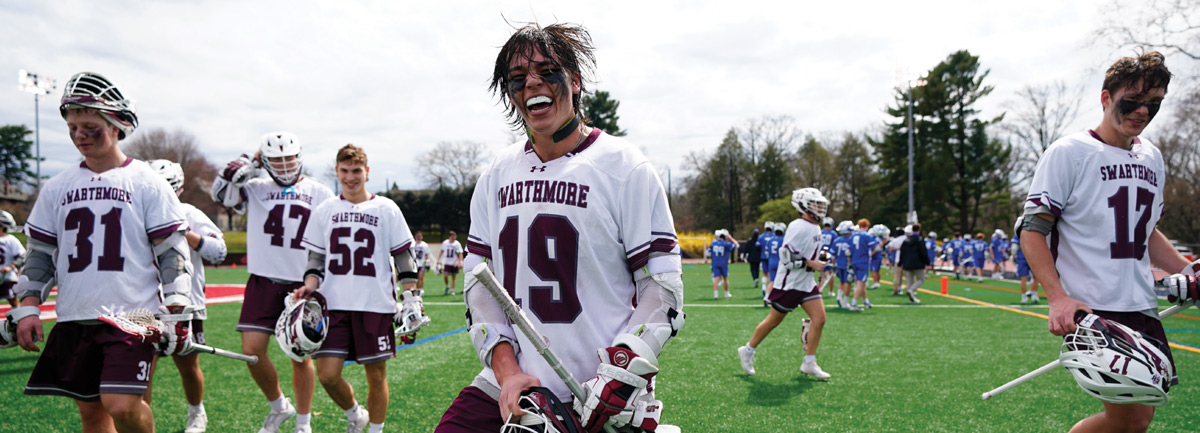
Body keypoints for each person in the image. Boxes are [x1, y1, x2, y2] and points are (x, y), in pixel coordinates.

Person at [434, 22, 684, 433]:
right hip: (519, 385)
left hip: (600, 394)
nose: (532, 82)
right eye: (518, 78)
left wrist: (622, 367)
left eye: (547, 70)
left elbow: (661, 284)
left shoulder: (624, 166)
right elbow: (480, 285)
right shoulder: (497, 174)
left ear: (575, 80)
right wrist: (506, 370)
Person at [7, 72, 194, 433]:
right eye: (73, 126)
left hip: (133, 316)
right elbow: (40, 254)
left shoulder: (146, 181)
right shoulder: (57, 187)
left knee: (122, 405)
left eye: (90, 126)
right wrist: (29, 306)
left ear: (117, 125)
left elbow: (172, 252)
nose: (79, 135)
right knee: (93, 414)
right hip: (76, 314)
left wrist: (176, 308)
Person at [1021, 51, 1195, 432]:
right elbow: (1032, 229)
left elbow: (1145, 231)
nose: (1142, 112)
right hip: (1095, 306)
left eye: (1154, 104)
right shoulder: (1070, 153)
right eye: (1132, 101)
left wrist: (1188, 270)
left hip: (1140, 302)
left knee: (1138, 418)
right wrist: (1056, 298)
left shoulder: (1152, 157)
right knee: (1130, 420)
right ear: (1105, 98)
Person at [294, 144, 424, 433]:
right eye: (344, 171)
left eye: (356, 171)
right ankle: (355, 414)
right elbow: (316, 258)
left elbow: (403, 257)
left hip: (374, 304)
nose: (350, 177)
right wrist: (309, 286)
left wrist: (411, 298)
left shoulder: (386, 208)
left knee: (376, 376)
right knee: (327, 375)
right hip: (334, 304)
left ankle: (375, 431)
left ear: (367, 172)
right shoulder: (326, 209)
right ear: (337, 172)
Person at [211, 132, 334, 433]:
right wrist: (249, 160)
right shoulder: (255, 187)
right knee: (252, 351)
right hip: (263, 279)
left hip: (301, 282)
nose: (283, 165)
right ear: (264, 161)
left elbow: (331, 236)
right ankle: (280, 406)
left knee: (299, 353)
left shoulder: (319, 191)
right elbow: (219, 192)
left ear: (299, 157)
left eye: (288, 158)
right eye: (276, 160)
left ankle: (303, 424)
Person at [149, 159, 228, 433]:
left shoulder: (189, 213)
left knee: (188, 364)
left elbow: (219, 252)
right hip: (145, 303)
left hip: (186, 304)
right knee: (142, 369)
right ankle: (140, 422)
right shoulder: (134, 213)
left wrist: (185, 232)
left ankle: (197, 412)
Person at [738, 188, 832, 379]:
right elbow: (786, 257)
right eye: (815, 204)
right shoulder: (798, 226)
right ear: (803, 205)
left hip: (806, 282)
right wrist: (810, 262)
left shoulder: (815, 227)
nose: (820, 208)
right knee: (774, 320)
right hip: (789, 283)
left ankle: (809, 362)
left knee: (820, 318)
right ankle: (748, 349)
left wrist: (820, 258)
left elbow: (808, 254)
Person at [848, 219, 878, 310]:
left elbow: (849, 251)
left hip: (854, 260)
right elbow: (875, 248)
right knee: (860, 283)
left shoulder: (852, 236)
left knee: (862, 282)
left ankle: (866, 301)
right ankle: (853, 304)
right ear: (867, 226)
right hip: (863, 261)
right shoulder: (866, 235)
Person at [0, 211, 26, 308]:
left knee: (13, 300)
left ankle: (16, 321)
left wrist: (11, 267)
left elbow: (22, 256)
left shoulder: (11, 240)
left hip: (7, 276)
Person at [1010, 217, 1038, 304]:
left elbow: (1014, 248)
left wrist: (1013, 256)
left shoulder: (1017, 235)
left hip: (1022, 258)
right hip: (1033, 258)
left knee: (1023, 279)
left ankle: (1024, 297)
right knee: (1036, 277)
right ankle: (1034, 294)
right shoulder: (1034, 233)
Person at [899, 223, 930, 303]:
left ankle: (911, 297)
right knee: (921, 279)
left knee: (909, 280)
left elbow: (902, 252)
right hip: (918, 263)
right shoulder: (920, 240)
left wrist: (901, 262)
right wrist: (927, 262)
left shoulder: (906, 240)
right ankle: (911, 290)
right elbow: (923, 252)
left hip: (907, 263)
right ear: (919, 230)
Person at [709, 230, 738, 299]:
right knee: (725, 278)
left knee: (716, 278)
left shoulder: (714, 243)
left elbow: (708, 252)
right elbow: (737, 245)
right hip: (723, 263)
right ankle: (726, 293)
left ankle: (716, 295)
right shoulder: (726, 244)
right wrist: (730, 238)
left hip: (715, 263)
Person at [832, 221, 853, 308]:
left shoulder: (837, 240)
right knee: (848, 283)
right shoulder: (851, 239)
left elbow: (833, 255)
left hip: (838, 263)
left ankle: (839, 296)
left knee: (842, 281)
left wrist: (834, 265)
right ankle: (845, 302)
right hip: (847, 264)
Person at [755, 221, 775, 299]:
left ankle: (763, 287)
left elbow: (757, 245)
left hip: (763, 257)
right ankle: (769, 290)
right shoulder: (774, 236)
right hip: (772, 258)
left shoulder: (761, 236)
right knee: (771, 275)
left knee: (764, 273)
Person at [440, 231, 464, 296]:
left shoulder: (457, 243)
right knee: (445, 275)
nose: (453, 238)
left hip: (454, 262)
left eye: (454, 236)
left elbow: (460, 253)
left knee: (453, 277)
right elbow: (441, 251)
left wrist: (461, 262)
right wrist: (438, 259)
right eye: (452, 236)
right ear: (449, 237)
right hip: (447, 262)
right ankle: (447, 285)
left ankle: (452, 290)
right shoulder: (445, 243)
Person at [818, 219, 838, 295]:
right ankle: (830, 291)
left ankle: (820, 290)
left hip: (821, 254)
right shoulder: (833, 233)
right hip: (829, 254)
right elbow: (835, 245)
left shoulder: (820, 232)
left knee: (822, 274)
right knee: (831, 274)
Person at [885, 227, 907, 295]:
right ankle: (910, 290)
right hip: (908, 259)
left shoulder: (896, 240)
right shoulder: (907, 238)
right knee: (909, 276)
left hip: (898, 259)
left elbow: (888, 246)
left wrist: (894, 248)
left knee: (897, 276)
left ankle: (896, 290)